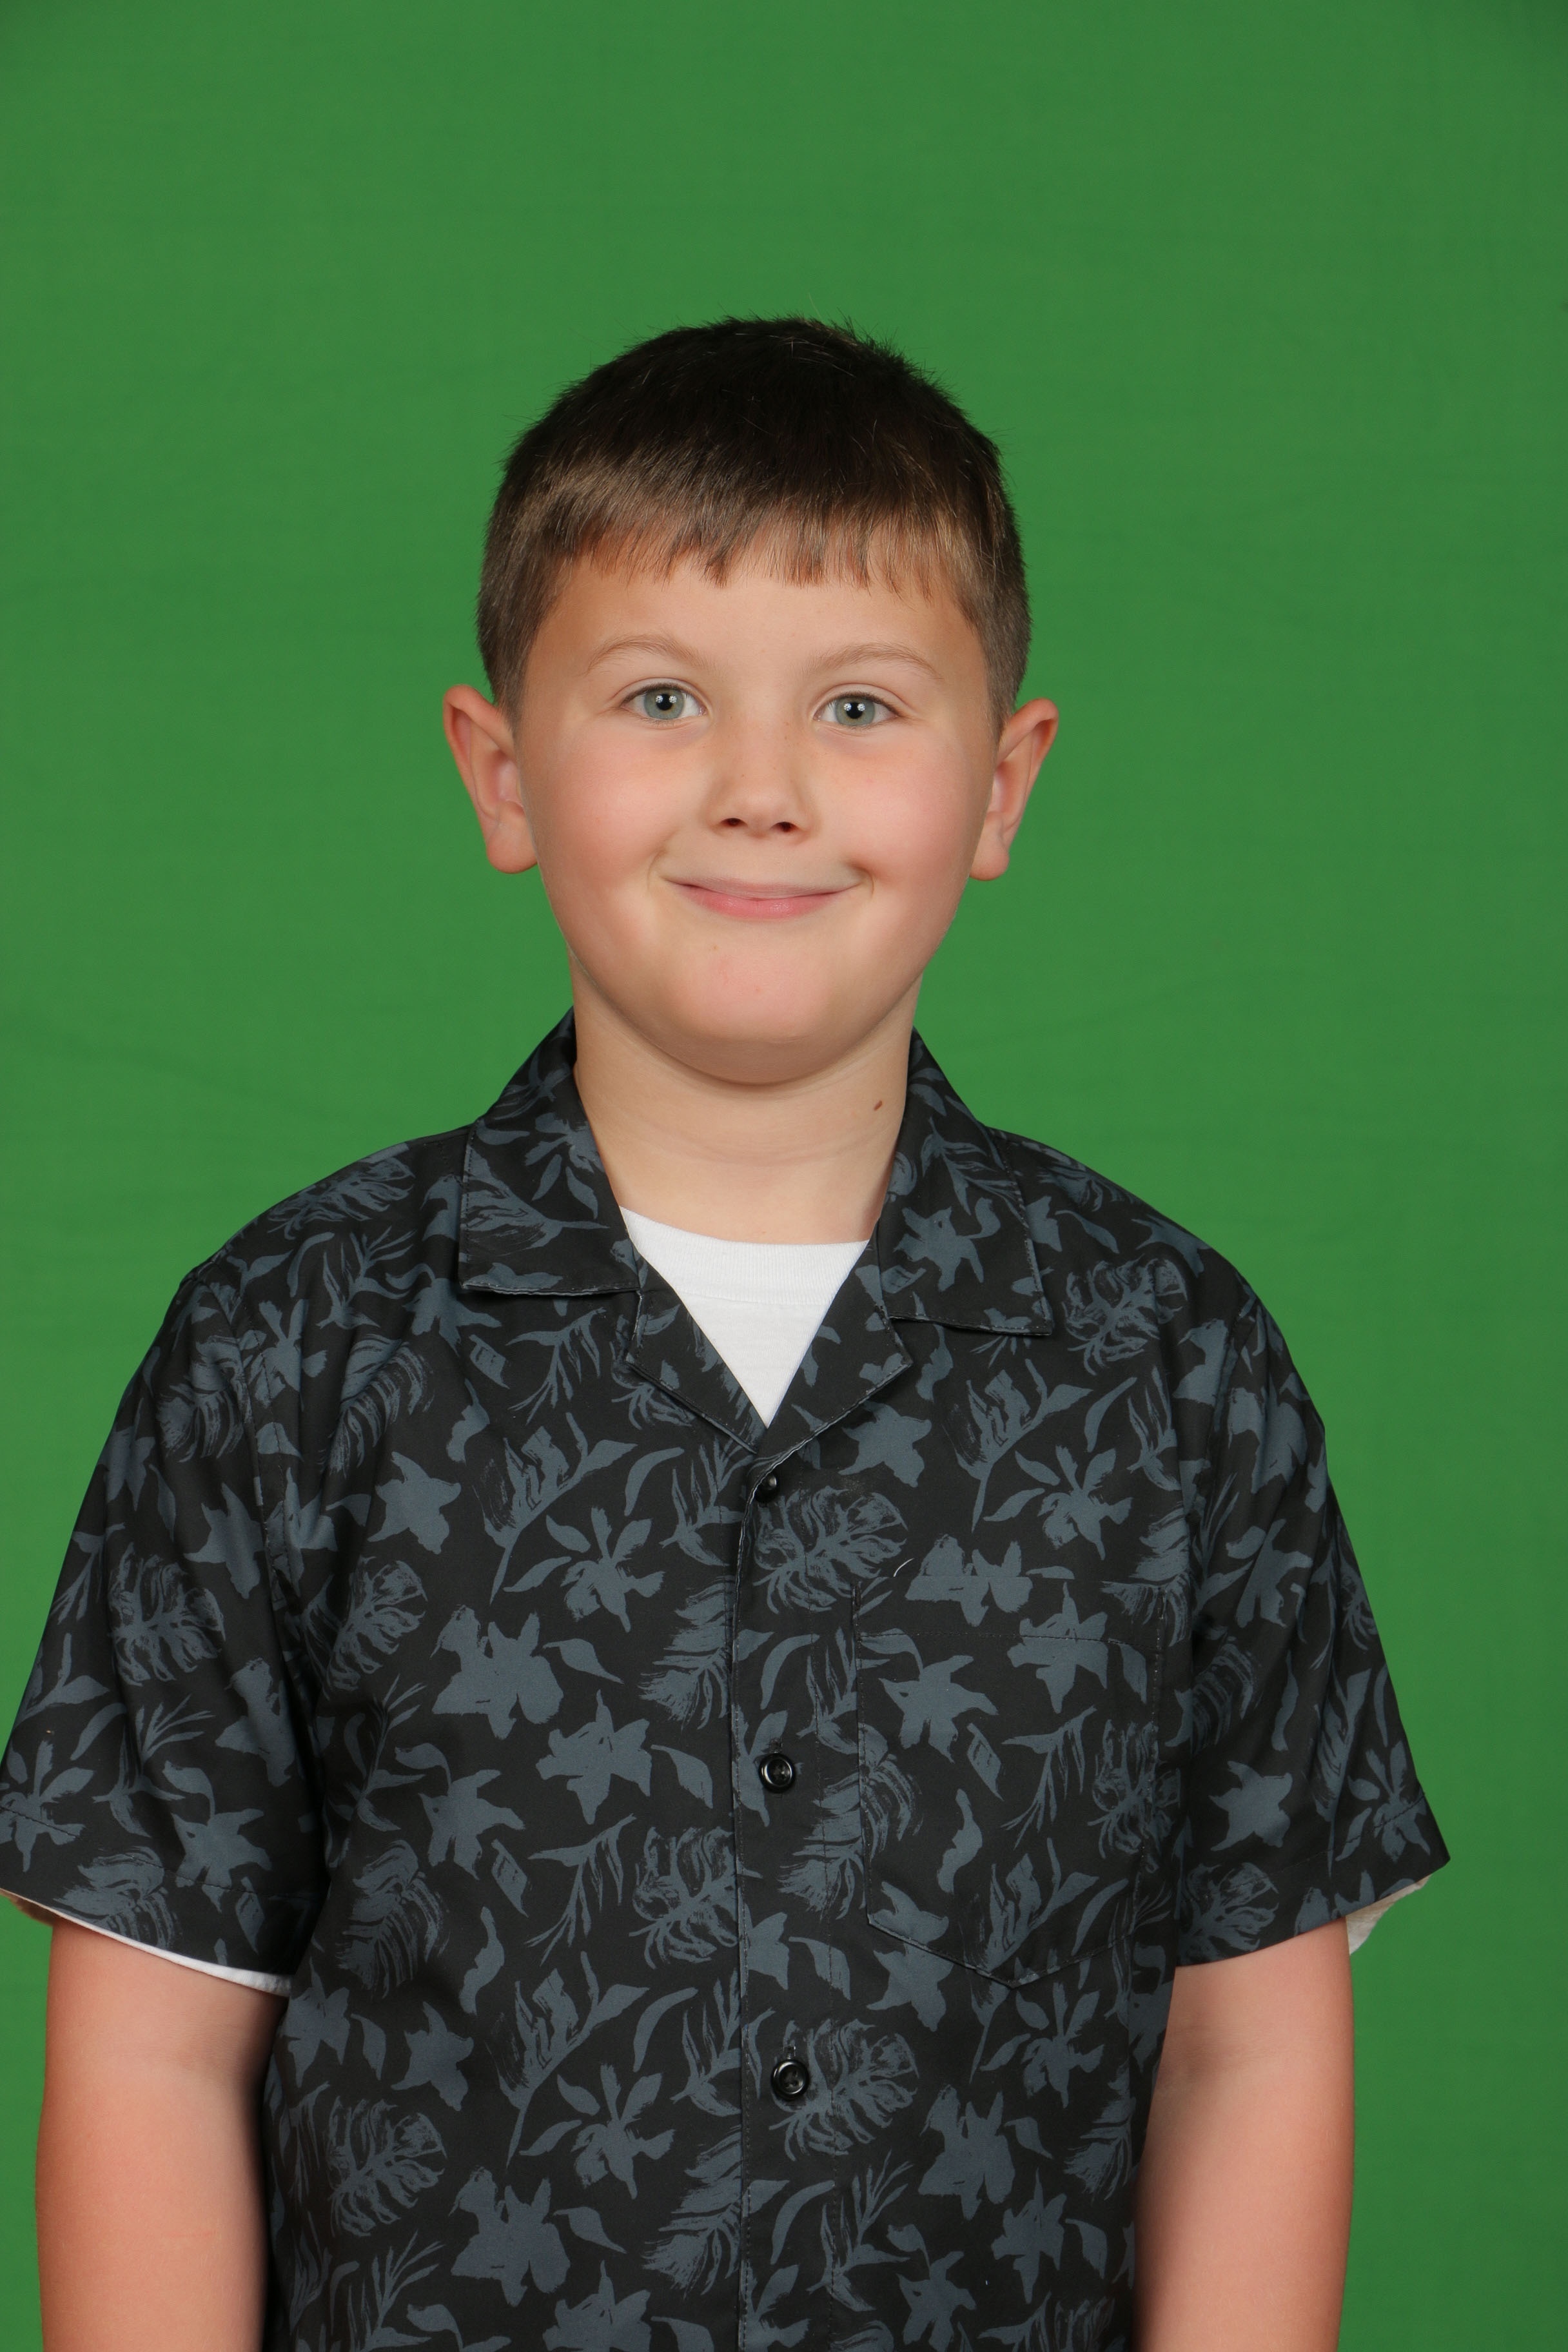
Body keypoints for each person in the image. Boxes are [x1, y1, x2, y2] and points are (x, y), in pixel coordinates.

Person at [0, 318, 1446, 2352]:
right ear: (503, 771)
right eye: (662, 698)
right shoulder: (290, 1350)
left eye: (859, 706)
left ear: (1004, 784)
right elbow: (157, 2051)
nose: (762, 793)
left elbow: (1252, 2051)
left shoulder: (1169, 1365)